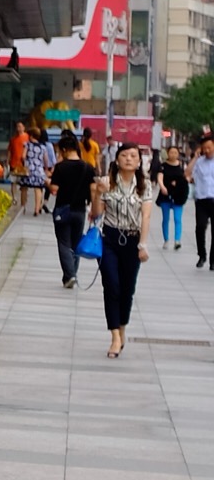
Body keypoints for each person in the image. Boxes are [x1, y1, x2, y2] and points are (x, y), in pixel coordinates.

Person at [92, 143, 151, 360]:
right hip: (109, 238)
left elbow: (146, 216)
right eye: (124, 155)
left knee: (127, 289)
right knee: (111, 285)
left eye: (133, 156)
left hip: (132, 240)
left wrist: (142, 245)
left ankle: (122, 327)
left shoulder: (144, 185)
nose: (128, 159)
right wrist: (98, 193)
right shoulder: (107, 182)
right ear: (117, 160)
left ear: (139, 162)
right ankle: (115, 336)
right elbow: (96, 214)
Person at [48, 129, 95, 288]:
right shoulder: (88, 167)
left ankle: (70, 275)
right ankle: (71, 275)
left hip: (63, 209)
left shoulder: (61, 167)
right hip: (80, 210)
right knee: (76, 244)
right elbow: (93, 190)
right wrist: (93, 209)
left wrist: (47, 182)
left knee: (64, 243)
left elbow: (54, 189)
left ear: (64, 150)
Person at [156, 143, 190, 253]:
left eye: (175, 152)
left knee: (177, 218)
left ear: (178, 154)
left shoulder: (182, 166)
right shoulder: (163, 166)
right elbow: (160, 177)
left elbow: (186, 177)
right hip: (165, 195)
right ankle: (166, 239)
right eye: (171, 152)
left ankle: (177, 241)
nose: (173, 154)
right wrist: (162, 187)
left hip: (178, 196)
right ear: (167, 153)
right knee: (165, 219)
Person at [23, 120, 53, 216]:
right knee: (38, 188)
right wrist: (46, 169)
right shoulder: (43, 147)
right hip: (39, 169)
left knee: (24, 187)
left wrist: (24, 162)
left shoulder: (27, 144)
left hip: (28, 169)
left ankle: (23, 207)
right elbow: (46, 160)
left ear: (31, 136)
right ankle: (36, 209)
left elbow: (23, 156)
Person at [193, 134, 214, 269]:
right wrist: (195, 158)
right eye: (204, 148)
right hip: (202, 200)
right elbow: (187, 174)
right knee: (200, 227)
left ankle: (213, 261)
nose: (207, 150)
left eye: (209, 147)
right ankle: (202, 254)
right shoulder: (199, 162)